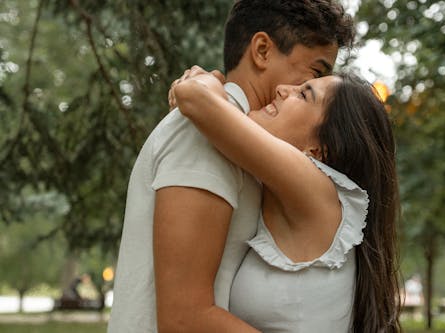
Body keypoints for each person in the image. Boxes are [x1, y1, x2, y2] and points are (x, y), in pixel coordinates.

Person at [108, 1, 354, 333]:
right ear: (263, 50)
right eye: (316, 72)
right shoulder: (204, 134)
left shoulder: (240, 143)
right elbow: (183, 318)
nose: (288, 91)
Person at [174, 71, 401, 332]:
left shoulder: (320, 192)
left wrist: (211, 80)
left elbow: (194, 97)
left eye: (304, 94)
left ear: (319, 149)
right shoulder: (282, 198)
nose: (282, 88)